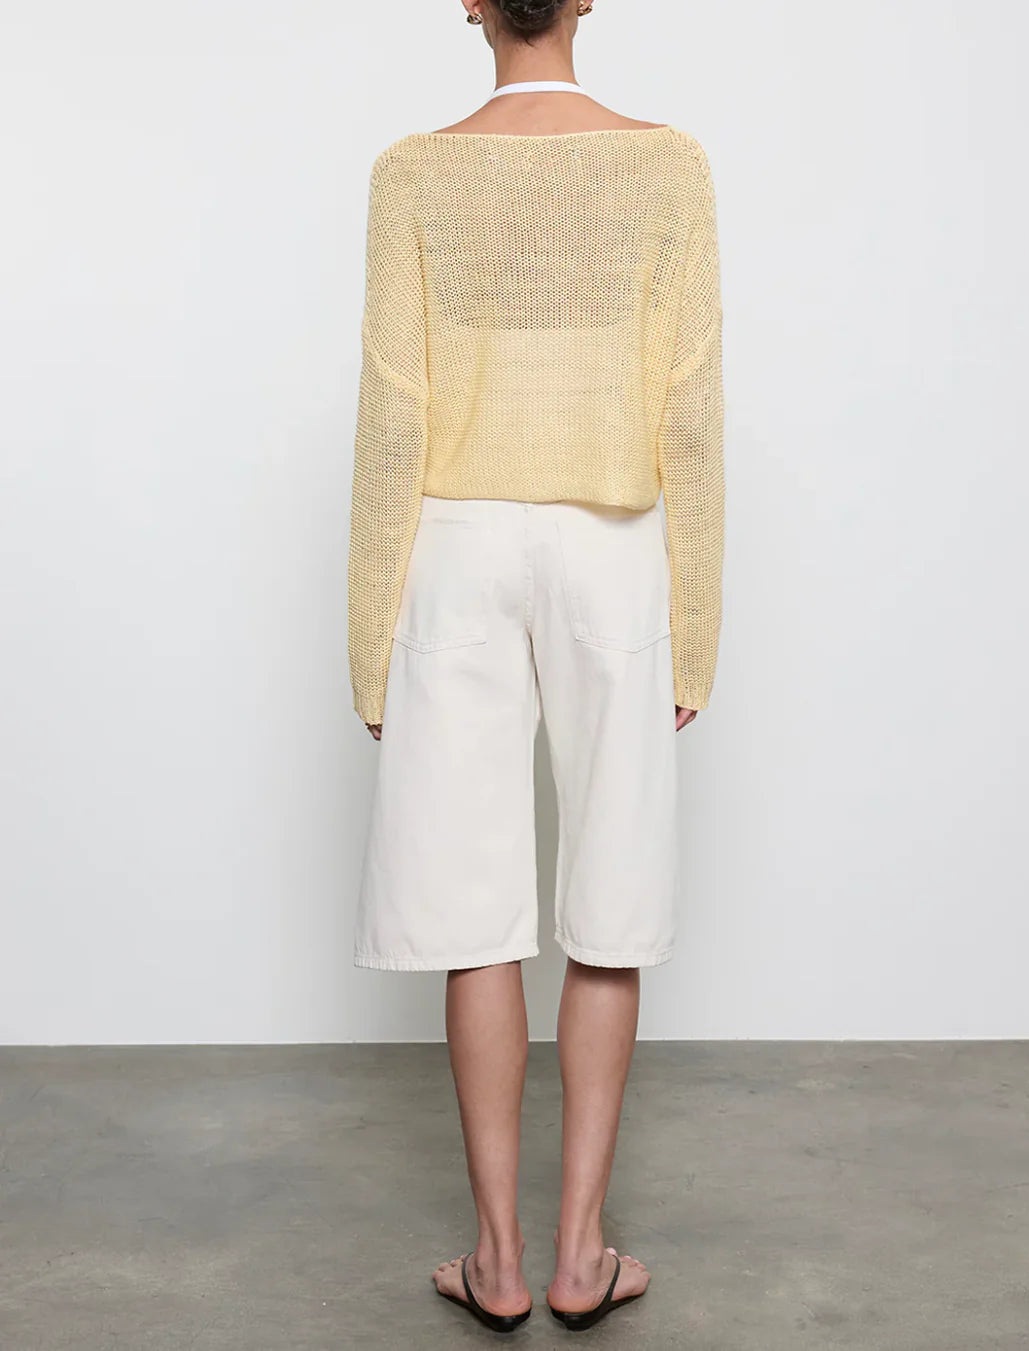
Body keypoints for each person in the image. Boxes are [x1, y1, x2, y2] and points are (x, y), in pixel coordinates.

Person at [346, 0, 724, 1332]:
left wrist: (369, 638)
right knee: (610, 891)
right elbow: (688, 402)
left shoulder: (414, 174)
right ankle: (580, 1255)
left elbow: (396, 407)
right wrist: (697, 623)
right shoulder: (667, 166)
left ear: (469, 2)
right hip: (611, 545)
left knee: (475, 909)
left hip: (456, 544)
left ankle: (496, 1261)